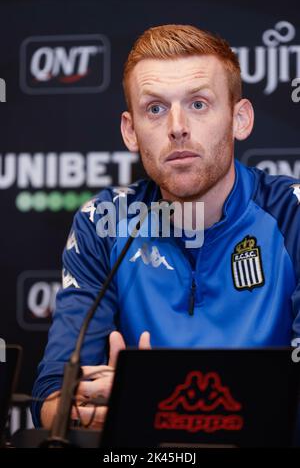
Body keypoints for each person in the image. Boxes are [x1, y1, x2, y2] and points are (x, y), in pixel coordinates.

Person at [31, 24, 300, 429]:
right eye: (155, 108)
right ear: (130, 131)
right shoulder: (104, 223)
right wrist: (84, 412)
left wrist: (161, 403)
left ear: (239, 119)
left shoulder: (291, 213)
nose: (177, 126)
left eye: (198, 104)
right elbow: (53, 395)